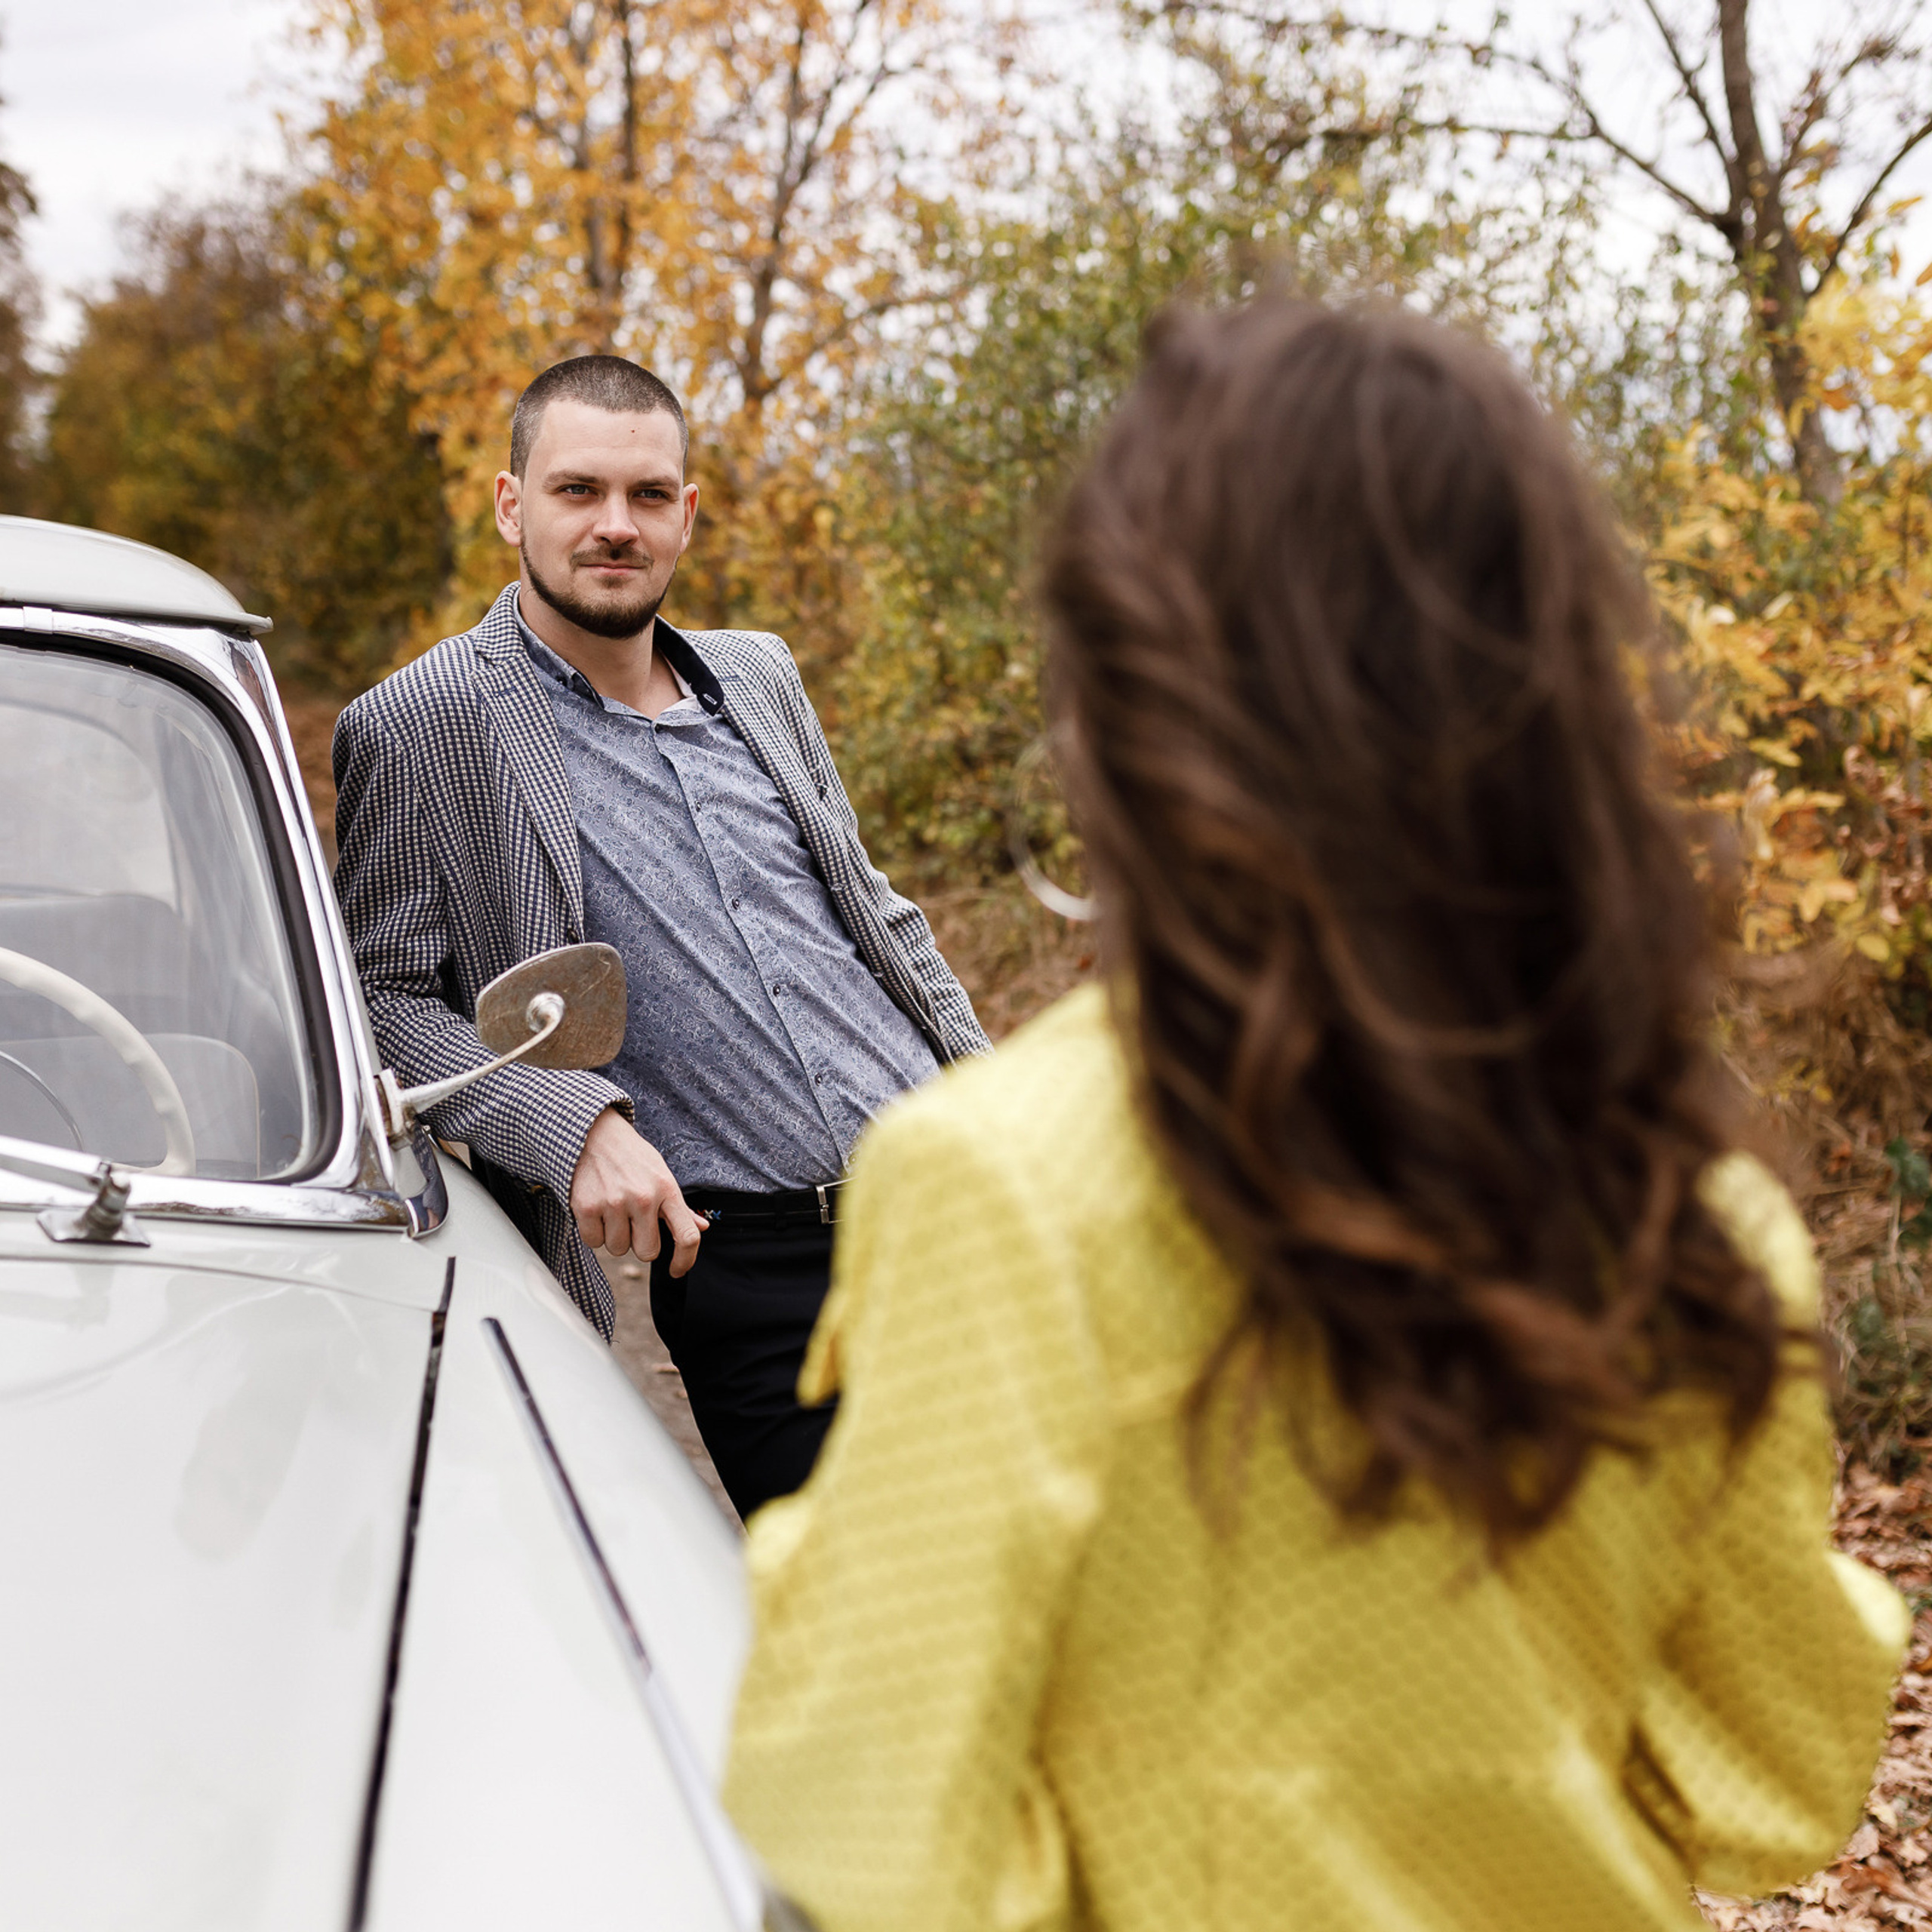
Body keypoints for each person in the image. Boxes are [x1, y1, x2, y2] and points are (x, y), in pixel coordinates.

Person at [723, 298, 1909, 1930]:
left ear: (1121, 712)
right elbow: (1766, 1774)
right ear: (1558, 695)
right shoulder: (1694, 1212)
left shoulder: (999, 1181)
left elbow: (866, 1826)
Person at [332, 355, 989, 1518]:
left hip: (956, 1203)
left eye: (647, 497)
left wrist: (995, 1095)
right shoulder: (422, 724)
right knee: (880, 1629)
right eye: (578, 491)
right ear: (510, 504)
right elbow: (383, 1003)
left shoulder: (758, 674)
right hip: (763, 1275)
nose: (614, 527)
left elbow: (874, 911)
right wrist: (573, 1124)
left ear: (686, 515)